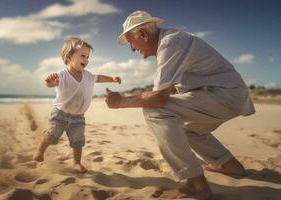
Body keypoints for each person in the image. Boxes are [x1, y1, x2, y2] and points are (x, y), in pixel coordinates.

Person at [105, 10, 255, 199]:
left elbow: (159, 99)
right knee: (188, 130)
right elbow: (170, 92)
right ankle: (229, 165)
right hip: (229, 96)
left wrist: (120, 102)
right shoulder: (171, 42)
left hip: (224, 96)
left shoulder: (170, 42)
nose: (132, 49)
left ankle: (195, 183)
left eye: (130, 41)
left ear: (142, 34)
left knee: (154, 111)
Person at [33, 37, 121, 173]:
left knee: (78, 141)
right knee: (52, 134)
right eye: (82, 56)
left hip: (78, 118)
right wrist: (49, 82)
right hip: (60, 114)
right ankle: (40, 150)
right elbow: (51, 84)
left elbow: (99, 77)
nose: (86, 60)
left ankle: (76, 163)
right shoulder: (62, 75)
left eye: (87, 57)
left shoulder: (88, 76)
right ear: (69, 56)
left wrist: (112, 79)